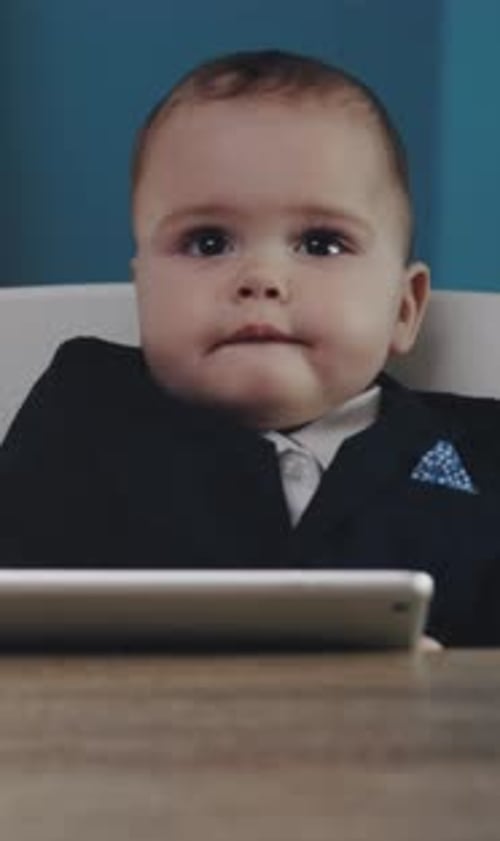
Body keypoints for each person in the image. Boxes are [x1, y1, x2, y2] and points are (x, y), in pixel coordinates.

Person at [1, 49, 500, 646]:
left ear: (403, 308)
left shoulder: (479, 455)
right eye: (207, 242)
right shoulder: (85, 408)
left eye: (322, 244)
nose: (261, 277)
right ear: (144, 292)